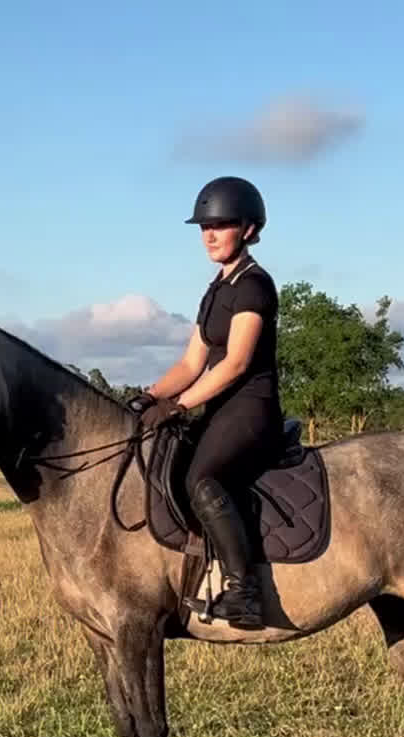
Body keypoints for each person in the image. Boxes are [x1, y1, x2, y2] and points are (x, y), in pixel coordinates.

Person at [128, 176, 282, 630]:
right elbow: (193, 360)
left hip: (252, 411)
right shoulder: (216, 289)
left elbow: (235, 363)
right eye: (204, 227)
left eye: (222, 225)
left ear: (249, 229)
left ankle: (244, 592)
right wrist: (152, 394)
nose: (210, 235)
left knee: (203, 477)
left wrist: (181, 406)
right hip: (219, 409)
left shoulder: (255, 285)